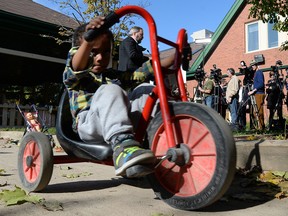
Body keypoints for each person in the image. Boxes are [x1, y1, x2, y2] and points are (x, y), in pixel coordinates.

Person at [63, 17, 175, 178]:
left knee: (147, 89)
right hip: (89, 124)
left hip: (119, 124)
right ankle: (123, 149)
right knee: (110, 90)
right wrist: (88, 42)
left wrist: (173, 57)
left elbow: (139, 74)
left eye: (106, 52)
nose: (100, 58)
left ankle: (166, 132)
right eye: (93, 52)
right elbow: (76, 66)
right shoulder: (75, 77)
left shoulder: (111, 75)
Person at [248, 60, 265, 131]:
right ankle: (259, 126)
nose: (252, 67)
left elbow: (261, 84)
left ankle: (261, 127)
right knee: (255, 111)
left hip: (259, 93)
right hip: (256, 93)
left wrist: (253, 90)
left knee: (259, 111)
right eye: (251, 66)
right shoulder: (256, 73)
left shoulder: (259, 72)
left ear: (256, 65)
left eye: (253, 65)